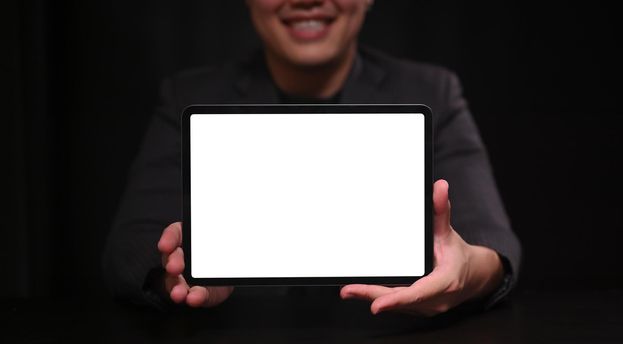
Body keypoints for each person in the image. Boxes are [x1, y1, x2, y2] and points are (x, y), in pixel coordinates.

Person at [102, 0, 521, 315]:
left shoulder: (433, 91)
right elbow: (130, 247)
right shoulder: (188, 96)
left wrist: (467, 271)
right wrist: (173, 270)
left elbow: (492, 241)